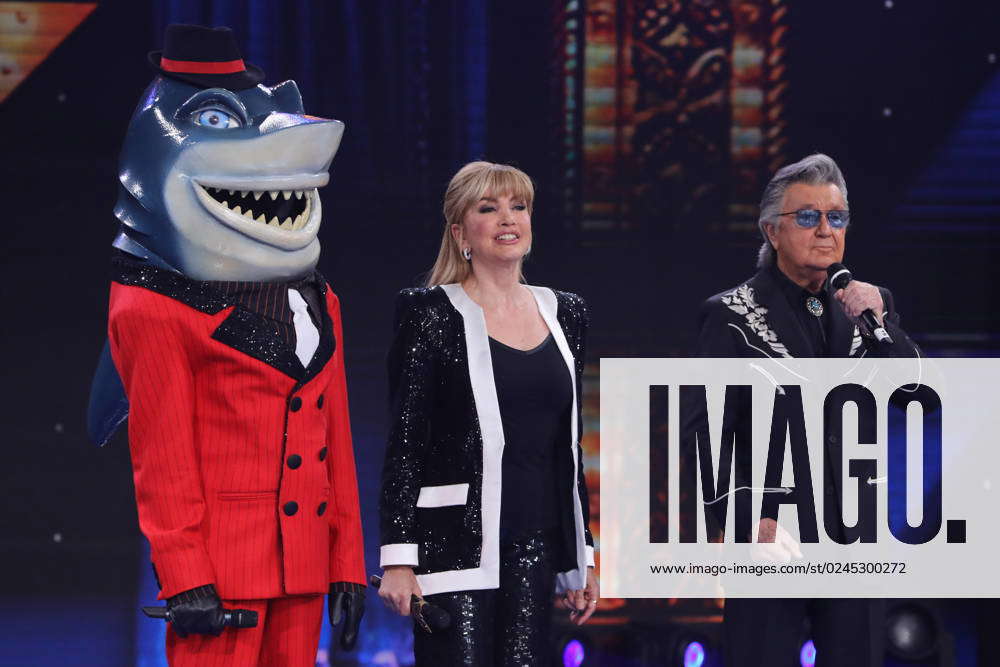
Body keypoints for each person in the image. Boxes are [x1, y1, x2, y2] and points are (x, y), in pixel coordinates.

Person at [101, 24, 365, 666]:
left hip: (301, 566)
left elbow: (336, 433)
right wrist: (185, 571)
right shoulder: (154, 302)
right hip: (221, 575)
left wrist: (347, 560)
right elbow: (162, 456)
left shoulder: (316, 298)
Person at [692, 153, 919, 666]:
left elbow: (917, 392)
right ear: (772, 231)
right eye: (808, 216)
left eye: (836, 217)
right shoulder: (731, 315)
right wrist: (744, 519)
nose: (825, 230)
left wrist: (884, 325)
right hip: (773, 534)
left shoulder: (867, 305)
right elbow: (707, 430)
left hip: (853, 533)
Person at [377, 161, 599, 665]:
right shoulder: (429, 313)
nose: (508, 218)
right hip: (452, 545)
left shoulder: (566, 312)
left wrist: (580, 554)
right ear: (461, 233)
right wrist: (398, 558)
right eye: (488, 208)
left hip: (535, 544)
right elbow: (406, 441)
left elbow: (567, 443)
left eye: (518, 207)